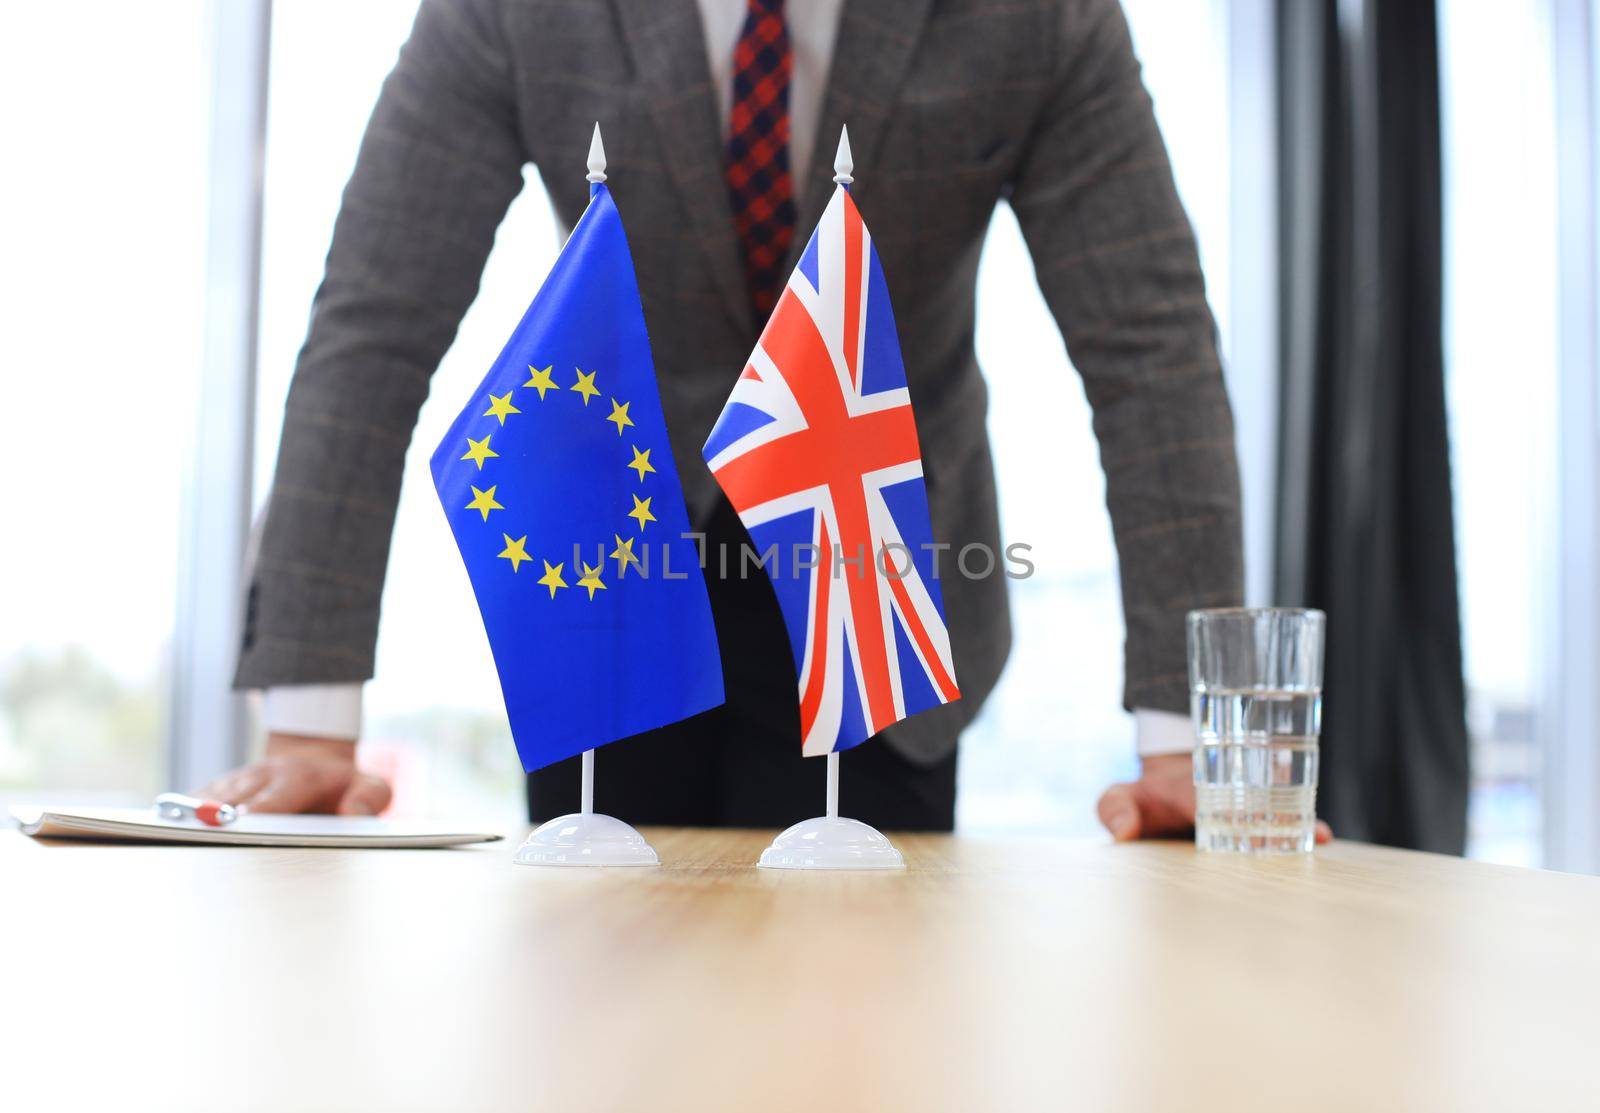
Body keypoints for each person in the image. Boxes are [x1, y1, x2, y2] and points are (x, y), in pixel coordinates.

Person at [207, 0, 1283, 841]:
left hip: (876, 582)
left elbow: (1148, 354)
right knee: (606, 1017)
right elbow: (376, 325)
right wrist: (311, 714)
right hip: (613, 576)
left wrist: (1186, 742)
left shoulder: (1037, 19)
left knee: (856, 1031)